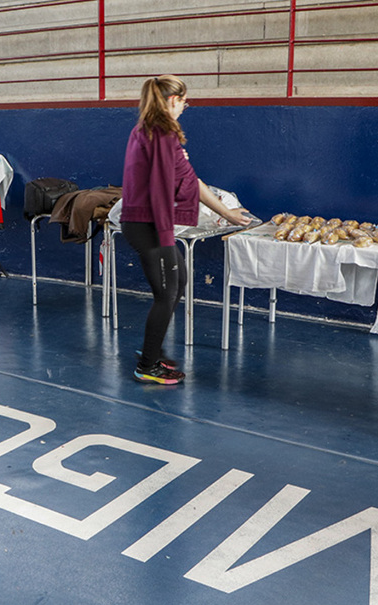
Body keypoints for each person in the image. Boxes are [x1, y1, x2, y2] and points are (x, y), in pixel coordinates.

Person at [120, 75, 253, 385]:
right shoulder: (160, 136)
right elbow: (160, 191)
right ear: (171, 101)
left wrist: (225, 212)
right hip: (148, 225)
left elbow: (190, 180)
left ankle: (152, 350)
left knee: (176, 283)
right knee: (167, 292)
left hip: (147, 223)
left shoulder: (151, 133)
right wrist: (168, 237)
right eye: (183, 101)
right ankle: (147, 365)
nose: (185, 106)